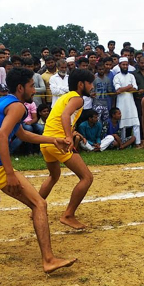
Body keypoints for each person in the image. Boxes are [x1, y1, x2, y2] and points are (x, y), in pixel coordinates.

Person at [0, 67, 77, 272]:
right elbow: (1, 136)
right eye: (30, 86)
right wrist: (10, 174)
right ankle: (48, 259)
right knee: (39, 204)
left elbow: (23, 135)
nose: (34, 90)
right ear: (20, 87)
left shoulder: (3, 102)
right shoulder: (18, 106)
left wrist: (53, 140)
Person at [39, 69, 96, 229]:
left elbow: (61, 118)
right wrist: (69, 137)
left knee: (54, 176)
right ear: (81, 84)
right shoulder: (77, 98)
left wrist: (72, 132)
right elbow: (65, 116)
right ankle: (68, 215)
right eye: (89, 83)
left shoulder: (65, 97)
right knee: (87, 178)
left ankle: (36, 208)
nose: (91, 86)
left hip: (47, 141)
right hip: (59, 142)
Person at [113, 57, 141, 145]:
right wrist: (128, 87)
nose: (125, 66)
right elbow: (118, 90)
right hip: (121, 103)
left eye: (126, 65)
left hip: (131, 103)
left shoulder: (131, 76)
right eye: (123, 65)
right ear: (119, 65)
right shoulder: (116, 77)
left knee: (136, 123)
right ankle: (123, 143)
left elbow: (135, 88)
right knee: (122, 125)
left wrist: (124, 88)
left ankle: (138, 142)